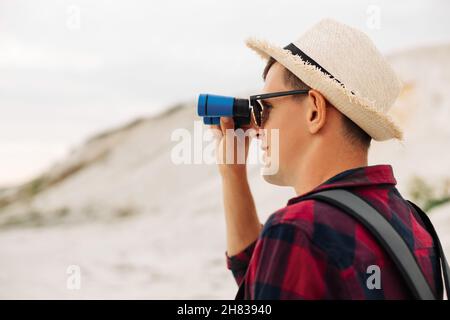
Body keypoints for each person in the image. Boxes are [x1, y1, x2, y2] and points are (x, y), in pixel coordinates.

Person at [211, 19, 442, 299]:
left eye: (265, 107)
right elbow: (261, 278)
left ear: (314, 111)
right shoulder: (412, 222)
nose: (257, 127)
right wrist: (232, 175)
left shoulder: (298, 229)